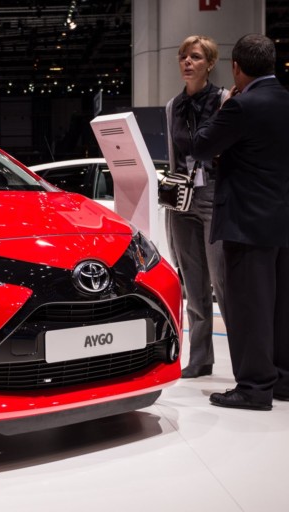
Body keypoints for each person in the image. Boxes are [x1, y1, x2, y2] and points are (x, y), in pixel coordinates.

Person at [191, 33, 289, 410]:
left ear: (236, 67)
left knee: (250, 308)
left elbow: (201, 145)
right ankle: (282, 380)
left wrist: (226, 105)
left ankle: (254, 387)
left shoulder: (242, 106)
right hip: (282, 222)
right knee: (281, 308)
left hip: (246, 223)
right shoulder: (285, 100)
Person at [165, 35, 229, 379]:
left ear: (210, 63)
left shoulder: (224, 100)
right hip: (182, 198)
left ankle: (245, 359)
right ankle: (201, 358)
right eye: (183, 57)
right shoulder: (172, 106)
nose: (187, 62)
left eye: (195, 57)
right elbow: (175, 156)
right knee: (192, 282)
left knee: (222, 282)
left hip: (214, 194)